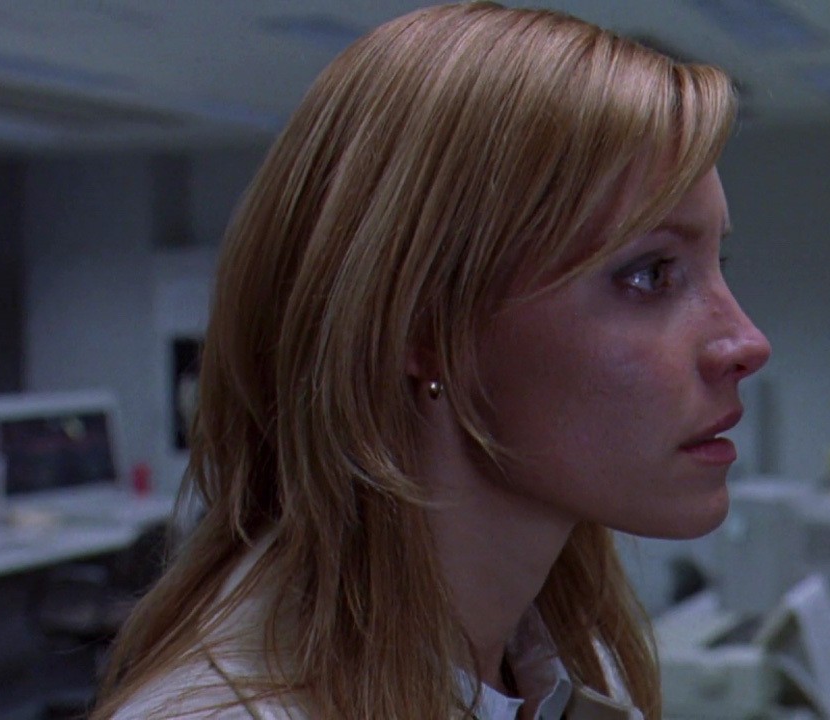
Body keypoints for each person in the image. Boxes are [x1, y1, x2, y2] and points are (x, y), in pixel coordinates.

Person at [93, 2, 770, 718]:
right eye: (650, 275)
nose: (747, 342)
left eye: (717, 264)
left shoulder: (559, 663)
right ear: (423, 325)